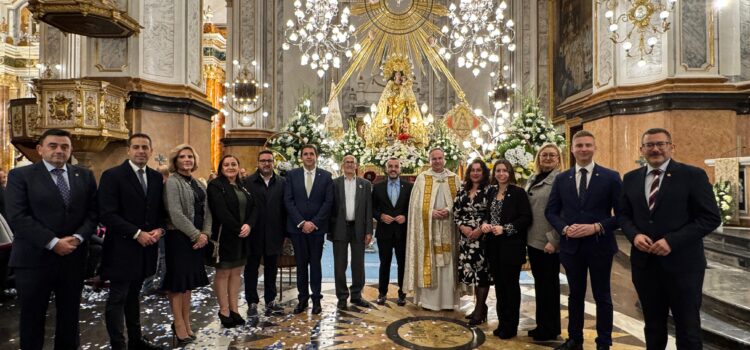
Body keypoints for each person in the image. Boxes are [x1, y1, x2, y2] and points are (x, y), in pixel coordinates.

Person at [619, 128, 720, 350]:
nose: (655, 149)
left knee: (687, 327)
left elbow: (710, 218)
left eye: (661, 144)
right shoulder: (631, 178)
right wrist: (634, 235)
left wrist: (672, 241)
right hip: (645, 265)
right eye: (649, 145)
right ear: (642, 149)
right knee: (653, 326)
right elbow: (623, 215)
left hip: (683, 265)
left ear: (671, 147)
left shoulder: (693, 175)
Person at [5, 129, 97, 350]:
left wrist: (77, 237)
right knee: (32, 318)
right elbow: (18, 216)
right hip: (34, 259)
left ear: (70, 150)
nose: (59, 150)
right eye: (53, 145)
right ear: (40, 149)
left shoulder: (83, 175)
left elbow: (93, 213)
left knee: (69, 317)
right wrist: (53, 242)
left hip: (72, 258)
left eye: (64, 146)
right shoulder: (21, 176)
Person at [545, 130, 622, 350]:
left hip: (600, 246)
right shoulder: (562, 179)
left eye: (588, 145)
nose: (583, 149)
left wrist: (597, 227)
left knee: (602, 296)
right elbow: (551, 212)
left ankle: (604, 343)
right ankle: (575, 339)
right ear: (571, 149)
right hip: (571, 247)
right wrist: (565, 229)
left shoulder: (611, 177)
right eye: (579, 145)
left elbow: (622, 214)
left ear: (594, 147)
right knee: (575, 295)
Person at [99, 133, 165, 350]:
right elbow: (107, 213)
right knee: (117, 298)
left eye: (145, 147)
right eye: (136, 147)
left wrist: (159, 229)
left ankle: (136, 341)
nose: (140, 151)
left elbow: (158, 211)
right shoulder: (113, 175)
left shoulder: (155, 178)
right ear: (128, 150)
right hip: (121, 248)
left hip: (145, 249)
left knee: (134, 296)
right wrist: (137, 233)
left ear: (151, 151)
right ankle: (119, 344)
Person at [162, 144, 211, 346]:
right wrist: (195, 235)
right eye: (182, 157)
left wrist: (206, 234)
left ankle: (187, 321)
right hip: (180, 239)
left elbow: (207, 211)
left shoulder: (198, 183)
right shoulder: (172, 182)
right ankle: (178, 324)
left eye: (190, 156)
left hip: (198, 238)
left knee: (188, 284)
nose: (187, 160)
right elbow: (175, 214)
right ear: (176, 161)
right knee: (178, 284)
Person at [480, 159, 532, 338]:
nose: (501, 174)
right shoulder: (492, 192)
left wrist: (506, 228)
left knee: (511, 287)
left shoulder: (518, 193)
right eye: (498, 171)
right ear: (494, 173)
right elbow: (487, 215)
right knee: (500, 288)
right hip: (493, 247)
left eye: (505, 170)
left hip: (511, 246)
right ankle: (502, 323)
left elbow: (526, 218)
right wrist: (485, 224)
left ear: (510, 173)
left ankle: (510, 326)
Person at [404, 148, 461, 310]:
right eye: (434, 159)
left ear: (444, 159)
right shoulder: (423, 178)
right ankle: (430, 302)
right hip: (428, 229)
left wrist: (449, 210)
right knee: (432, 263)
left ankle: (448, 301)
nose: (437, 161)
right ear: (429, 160)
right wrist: (430, 213)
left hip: (449, 228)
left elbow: (460, 203)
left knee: (448, 265)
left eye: (440, 158)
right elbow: (414, 206)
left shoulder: (454, 178)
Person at [283, 144, 334, 315]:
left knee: (315, 265)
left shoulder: (326, 176)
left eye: (311, 154)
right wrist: (301, 223)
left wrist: (314, 223)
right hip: (298, 229)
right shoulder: (292, 175)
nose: (309, 157)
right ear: (301, 157)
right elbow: (288, 201)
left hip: (317, 230)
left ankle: (317, 300)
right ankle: (302, 299)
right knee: (301, 265)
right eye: (305, 154)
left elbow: (328, 202)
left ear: (316, 156)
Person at [207, 155, 256, 328]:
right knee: (223, 273)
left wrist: (249, 225)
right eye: (226, 165)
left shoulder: (243, 186)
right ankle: (224, 310)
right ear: (221, 168)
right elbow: (221, 211)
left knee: (236, 273)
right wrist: (238, 228)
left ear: (238, 166)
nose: (230, 167)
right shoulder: (216, 186)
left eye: (234, 164)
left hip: (243, 236)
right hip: (225, 236)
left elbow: (254, 207)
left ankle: (235, 309)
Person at [525, 143, 563, 341]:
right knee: (541, 285)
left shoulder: (560, 180)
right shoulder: (534, 178)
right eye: (544, 155)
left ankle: (550, 328)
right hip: (533, 239)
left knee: (549, 286)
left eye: (552, 155)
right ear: (538, 158)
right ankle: (542, 325)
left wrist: (554, 240)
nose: (547, 158)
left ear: (558, 159)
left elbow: (563, 212)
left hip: (548, 241)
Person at [245, 150, 286, 317]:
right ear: (258, 163)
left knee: (271, 269)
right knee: (251, 269)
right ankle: (252, 302)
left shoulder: (282, 182)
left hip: (275, 233)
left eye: (269, 161)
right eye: (263, 161)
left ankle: (270, 300)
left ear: (273, 163)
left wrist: (285, 233)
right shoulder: (247, 182)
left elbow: (285, 209)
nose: (266, 164)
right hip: (254, 233)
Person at [330, 155, 373, 310]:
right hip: (340, 228)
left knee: (358, 264)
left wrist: (369, 230)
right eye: (347, 162)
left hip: (359, 228)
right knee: (340, 264)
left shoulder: (365, 184)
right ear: (342, 165)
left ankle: (356, 295)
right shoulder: (334, 184)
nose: (349, 165)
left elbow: (369, 208)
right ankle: (342, 297)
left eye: (352, 162)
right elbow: (330, 208)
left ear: (356, 166)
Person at [452, 159, 493, 325]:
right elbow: (456, 210)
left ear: (483, 173)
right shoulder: (463, 189)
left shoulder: (490, 190)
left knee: (482, 275)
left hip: (483, 238)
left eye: (478, 170)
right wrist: (462, 227)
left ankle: (479, 309)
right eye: (472, 170)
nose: (475, 173)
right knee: (473, 275)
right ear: (469, 173)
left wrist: (479, 229)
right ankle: (480, 308)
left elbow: (491, 212)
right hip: (467, 239)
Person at [372, 158, 412, 306]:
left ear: (400, 169)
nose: (393, 169)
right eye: (391, 166)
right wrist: (381, 216)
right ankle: (382, 293)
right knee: (385, 263)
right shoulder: (378, 187)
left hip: (402, 232)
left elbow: (412, 207)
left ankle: (402, 294)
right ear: (386, 169)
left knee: (402, 264)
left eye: (396, 166)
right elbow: (372, 208)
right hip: (384, 232)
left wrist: (406, 216)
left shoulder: (409, 187)